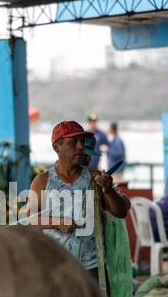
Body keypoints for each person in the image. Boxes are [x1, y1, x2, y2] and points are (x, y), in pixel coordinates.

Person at [26, 120, 129, 285]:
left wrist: (109, 191)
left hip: (94, 268)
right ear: (56, 147)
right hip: (56, 267)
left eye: (82, 141)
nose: (81, 147)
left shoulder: (96, 177)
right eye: (73, 142)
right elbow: (29, 221)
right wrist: (56, 222)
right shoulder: (42, 181)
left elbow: (121, 212)